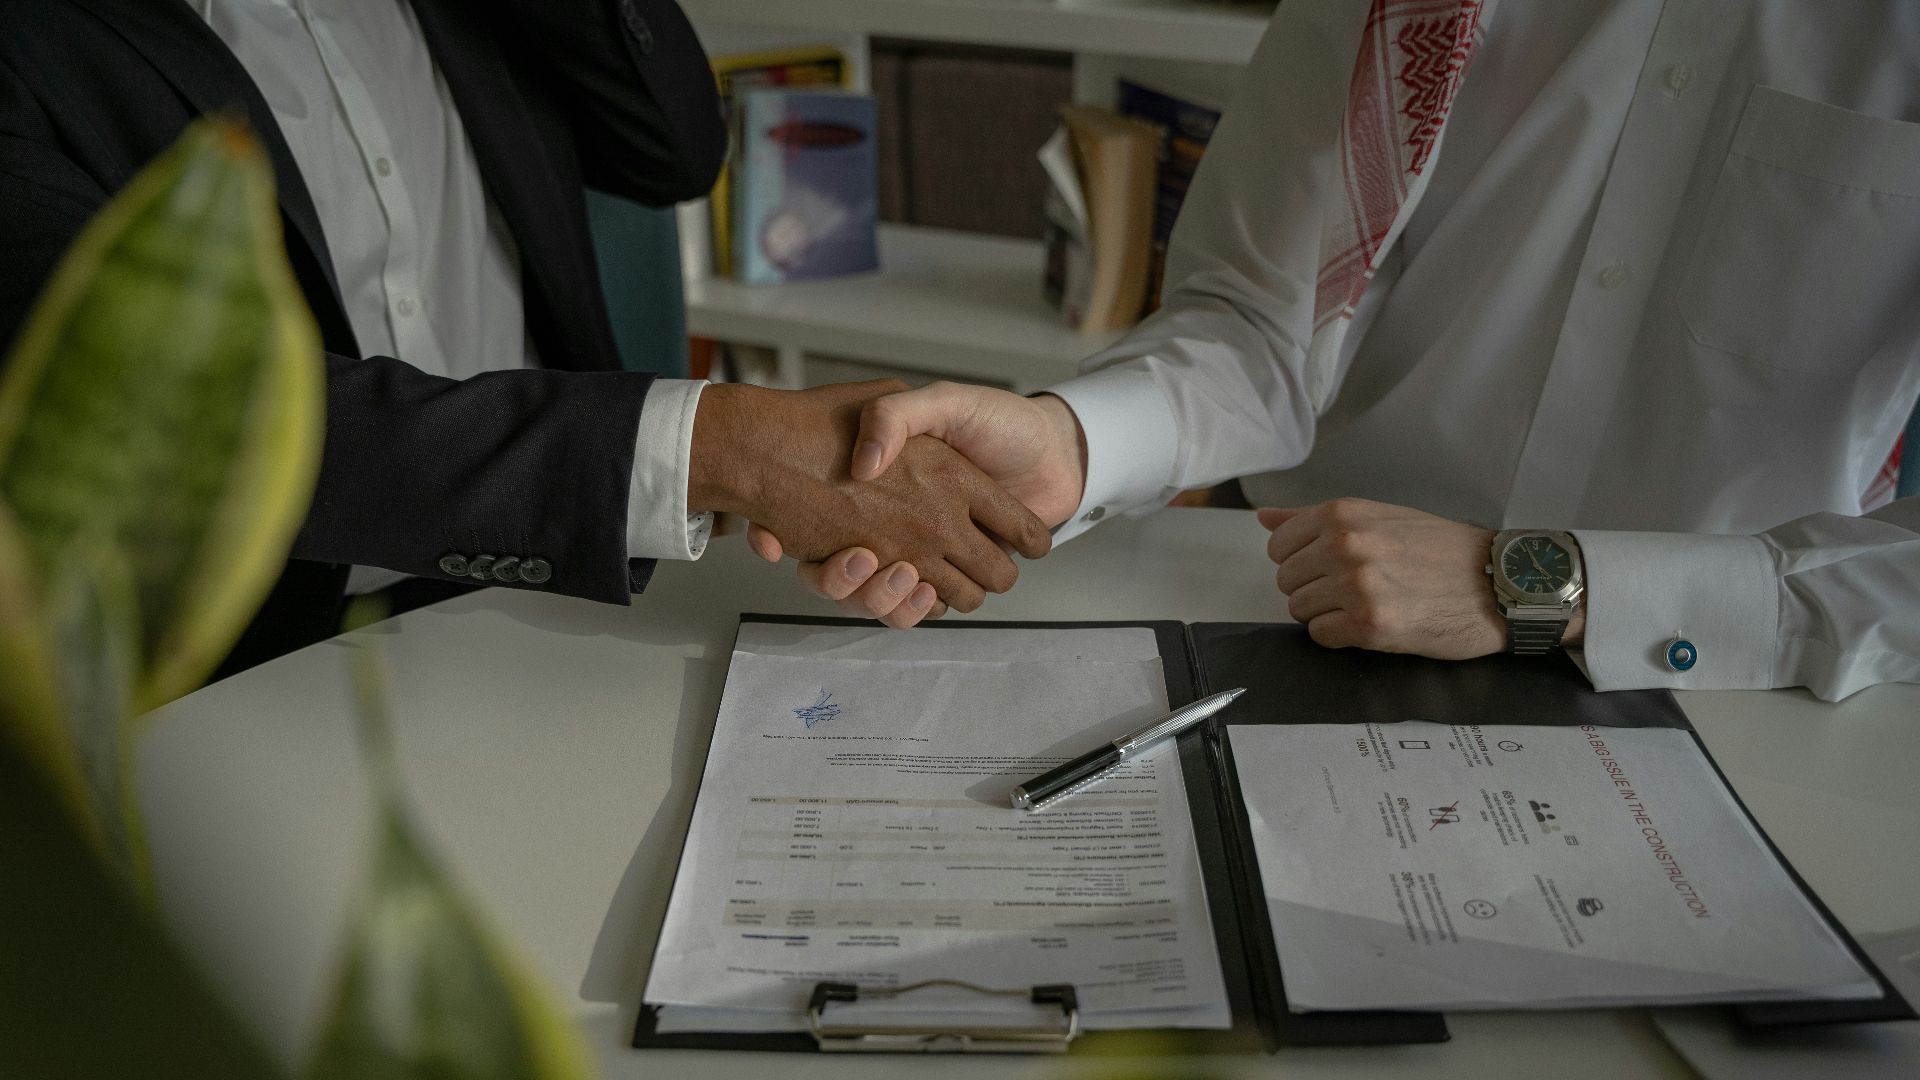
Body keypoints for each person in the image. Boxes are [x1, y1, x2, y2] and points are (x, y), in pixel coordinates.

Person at [759, 0, 1920, 701]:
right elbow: (1261, 324)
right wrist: (1074, 440)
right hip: (1307, 625)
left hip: (1751, 690)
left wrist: (1543, 592)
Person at [0, 0, 1047, 680]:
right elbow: (188, 418)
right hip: (238, 671)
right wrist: (717, 449)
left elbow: (675, 147)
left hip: (560, 598)